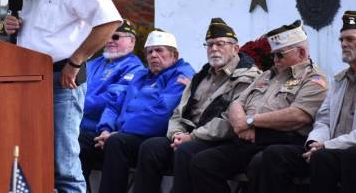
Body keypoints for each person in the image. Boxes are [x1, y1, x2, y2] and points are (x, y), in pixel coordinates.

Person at [1, 0, 122, 193]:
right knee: (33, 161)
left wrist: (76, 61)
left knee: (63, 167)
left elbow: (109, 22)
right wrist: (11, 25)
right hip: (28, 81)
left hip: (62, 80)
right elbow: (35, 30)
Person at [189, 20, 328, 193]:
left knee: (261, 163)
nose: (275, 60)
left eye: (280, 55)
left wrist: (250, 121)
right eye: (273, 55)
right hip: (248, 139)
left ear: (300, 52)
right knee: (202, 162)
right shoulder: (268, 75)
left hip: (284, 141)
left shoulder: (314, 79)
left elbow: (299, 116)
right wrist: (241, 123)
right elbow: (237, 102)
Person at [132, 18, 260, 193]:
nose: (214, 49)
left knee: (186, 151)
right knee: (151, 147)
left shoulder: (247, 77)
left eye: (220, 44)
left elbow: (228, 122)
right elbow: (178, 112)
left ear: (235, 48)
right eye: (209, 45)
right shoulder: (202, 75)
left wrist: (192, 137)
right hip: (190, 135)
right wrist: (176, 134)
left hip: (221, 140)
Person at [79, 29, 194, 193]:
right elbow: (114, 104)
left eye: (159, 50)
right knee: (82, 140)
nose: (153, 55)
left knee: (117, 143)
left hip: (150, 135)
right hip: (121, 134)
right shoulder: (140, 75)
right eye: (149, 52)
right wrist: (106, 128)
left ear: (174, 55)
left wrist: (120, 131)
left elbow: (160, 115)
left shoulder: (180, 75)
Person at [255, 10, 356, 193]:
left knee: (342, 157)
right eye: (341, 40)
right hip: (327, 149)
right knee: (276, 155)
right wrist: (314, 143)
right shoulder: (340, 81)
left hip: (345, 149)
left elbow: (300, 115)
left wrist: (326, 145)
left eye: (350, 39)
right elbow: (323, 120)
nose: (344, 44)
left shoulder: (317, 78)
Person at [80, 18, 143, 135]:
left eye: (115, 37)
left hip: (99, 130)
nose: (109, 40)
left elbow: (113, 99)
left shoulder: (134, 68)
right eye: (107, 37)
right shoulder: (93, 63)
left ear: (132, 41)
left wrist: (77, 103)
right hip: (76, 123)